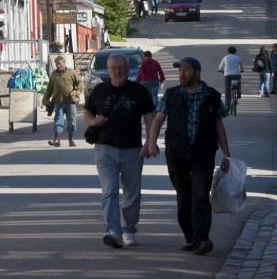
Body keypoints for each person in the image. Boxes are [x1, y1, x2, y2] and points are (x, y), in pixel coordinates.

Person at [146, 58, 230, 256]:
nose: (182, 74)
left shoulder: (212, 96)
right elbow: (158, 119)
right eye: (180, 71)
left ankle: (202, 239)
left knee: (201, 195)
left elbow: (219, 124)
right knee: (184, 198)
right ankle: (191, 237)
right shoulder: (171, 95)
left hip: (203, 152)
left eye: (186, 70)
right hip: (176, 153)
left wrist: (227, 154)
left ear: (197, 72)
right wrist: (151, 141)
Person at [85, 51, 158, 249]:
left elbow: (149, 116)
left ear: (128, 70)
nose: (117, 72)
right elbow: (87, 110)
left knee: (132, 194)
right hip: (104, 148)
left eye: (121, 68)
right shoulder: (100, 89)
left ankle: (130, 229)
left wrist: (150, 141)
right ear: (108, 70)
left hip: (132, 150)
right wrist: (93, 121)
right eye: (113, 69)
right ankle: (113, 231)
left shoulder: (138, 91)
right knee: (109, 191)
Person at [43, 56, 82, 147]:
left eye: (60, 63)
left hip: (70, 102)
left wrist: (76, 91)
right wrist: (46, 98)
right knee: (58, 120)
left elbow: (79, 82)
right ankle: (57, 140)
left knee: (71, 121)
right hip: (58, 102)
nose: (58, 65)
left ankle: (71, 140)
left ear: (64, 63)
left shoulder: (71, 72)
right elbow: (50, 88)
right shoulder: (53, 74)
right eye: (56, 64)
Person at [219, 47, 243, 114]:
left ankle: (227, 104)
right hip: (236, 74)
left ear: (228, 51)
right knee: (238, 82)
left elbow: (220, 66)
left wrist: (220, 70)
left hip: (228, 75)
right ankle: (238, 92)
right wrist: (242, 70)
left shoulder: (225, 57)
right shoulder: (238, 57)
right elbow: (241, 66)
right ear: (235, 51)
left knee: (227, 89)